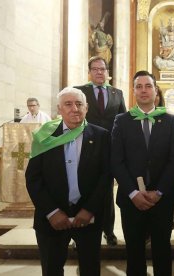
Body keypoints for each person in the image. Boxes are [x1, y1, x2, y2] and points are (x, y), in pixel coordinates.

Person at [25, 87, 111, 276]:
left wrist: (89, 209)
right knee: (52, 269)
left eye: (79, 104)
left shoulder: (101, 136)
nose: (75, 108)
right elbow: (33, 178)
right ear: (59, 109)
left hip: (88, 218)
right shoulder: (44, 136)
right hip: (52, 219)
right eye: (68, 104)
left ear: (86, 108)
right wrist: (52, 212)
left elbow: (106, 176)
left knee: (90, 269)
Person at [111, 71, 174, 276]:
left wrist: (159, 192)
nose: (143, 90)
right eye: (139, 86)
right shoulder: (122, 121)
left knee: (162, 250)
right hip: (131, 199)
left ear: (155, 90)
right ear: (133, 91)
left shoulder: (169, 120)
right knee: (134, 252)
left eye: (148, 86)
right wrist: (133, 193)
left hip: (162, 199)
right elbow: (116, 161)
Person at [75, 56, 126, 246]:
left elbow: (122, 121)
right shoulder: (79, 91)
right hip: (84, 146)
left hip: (110, 149)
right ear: (89, 72)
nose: (99, 72)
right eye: (95, 69)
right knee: (83, 187)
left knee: (105, 190)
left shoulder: (117, 93)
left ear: (107, 72)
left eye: (102, 69)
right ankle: (79, 229)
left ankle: (109, 230)